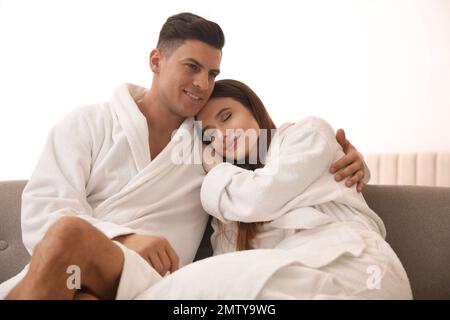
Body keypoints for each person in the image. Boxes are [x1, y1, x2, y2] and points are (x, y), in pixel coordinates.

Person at [1, 13, 369, 300]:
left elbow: (280, 150)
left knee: (70, 236)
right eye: (192, 67)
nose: (202, 84)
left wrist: (348, 157)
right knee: (73, 264)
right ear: (156, 60)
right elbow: (41, 215)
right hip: (74, 269)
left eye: (212, 73)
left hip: (151, 280)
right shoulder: (86, 123)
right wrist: (125, 238)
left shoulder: (209, 146)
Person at [133, 79, 411, 299]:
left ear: (253, 108)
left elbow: (260, 197)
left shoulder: (307, 133)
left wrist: (214, 168)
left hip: (352, 264)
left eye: (227, 116)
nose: (222, 135)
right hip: (281, 276)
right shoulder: (229, 203)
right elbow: (228, 271)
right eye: (208, 135)